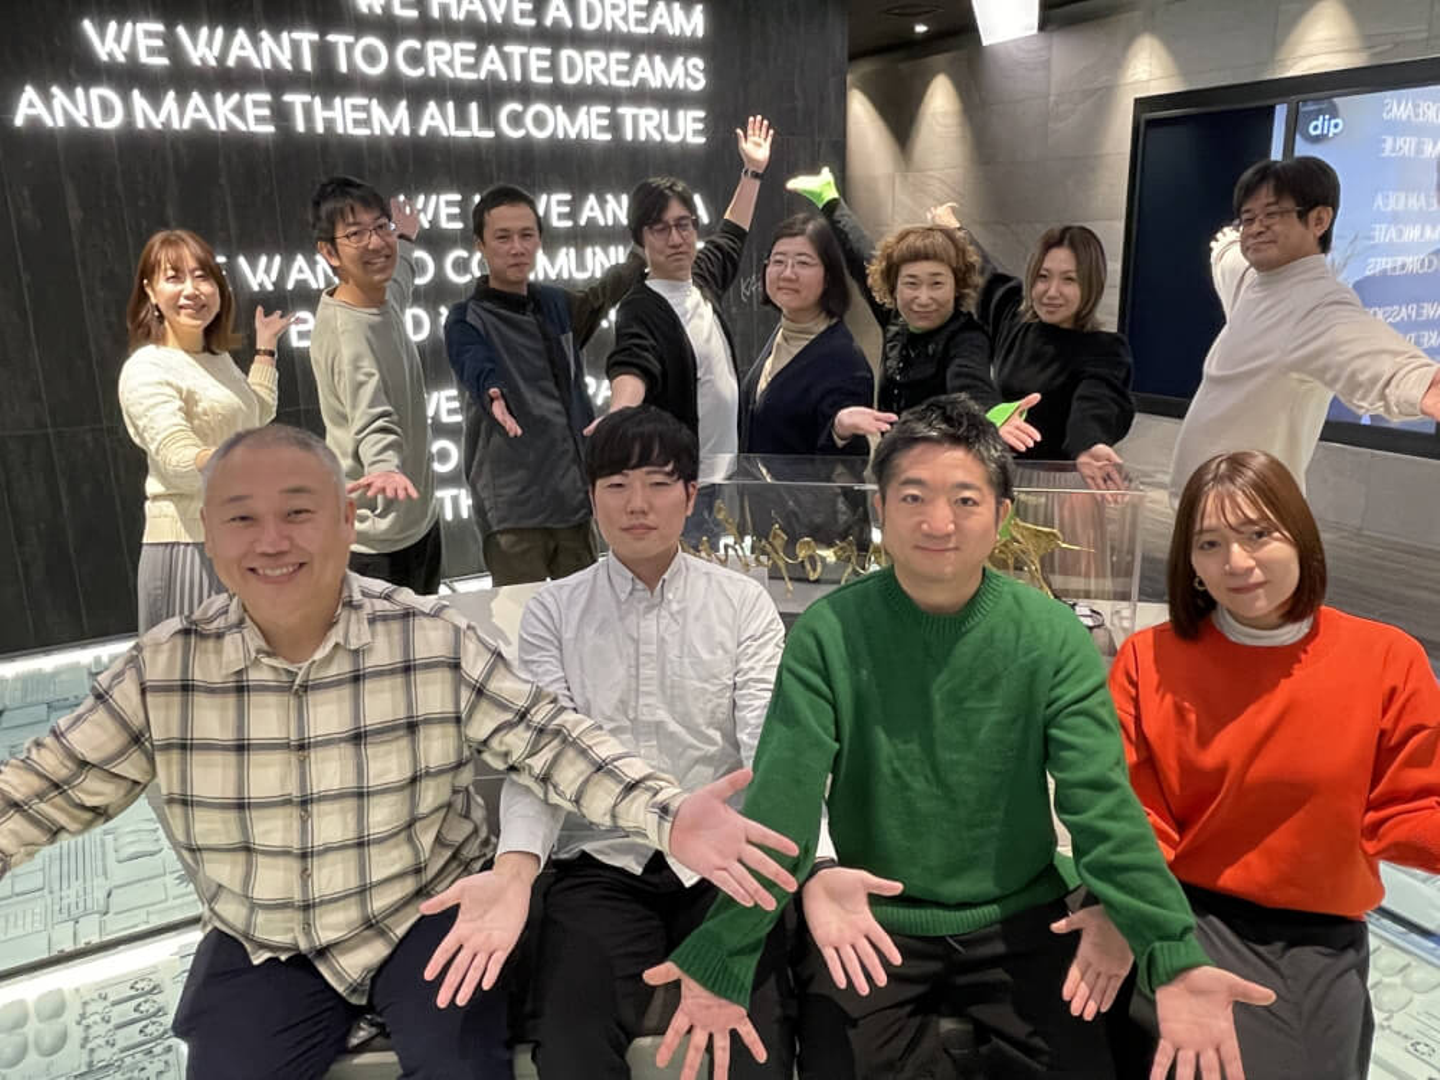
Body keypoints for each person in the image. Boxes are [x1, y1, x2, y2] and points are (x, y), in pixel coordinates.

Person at [0, 423, 801, 1080]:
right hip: (266, 936)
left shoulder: (429, 641)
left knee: (465, 1061)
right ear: (207, 535)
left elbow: (548, 740)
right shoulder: (163, 673)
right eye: (242, 518)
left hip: (420, 911)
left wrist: (668, 815)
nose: (272, 541)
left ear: (347, 522)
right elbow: (40, 789)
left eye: (298, 512)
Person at [642, 395, 1276, 1080]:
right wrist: (726, 949)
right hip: (875, 917)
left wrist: (1171, 952)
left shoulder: (1050, 636)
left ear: (1002, 516)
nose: (939, 522)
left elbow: (1101, 806)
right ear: (880, 509)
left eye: (966, 501)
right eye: (913, 497)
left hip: (1020, 915)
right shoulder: (830, 633)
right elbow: (782, 804)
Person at [475, 405, 799, 1078]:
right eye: (616, 485)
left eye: (657, 483)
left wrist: (797, 865)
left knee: (756, 1046)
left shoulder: (741, 603)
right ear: (592, 498)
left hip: (724, 864)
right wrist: (516, 866)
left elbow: (768, 745)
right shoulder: (554, 611)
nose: (637, 504)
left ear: (691, 495)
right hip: (603, 861)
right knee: (570, 1045)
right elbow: (541, 759)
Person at [1099, 449, 1440, 1078]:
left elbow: (1406, 808)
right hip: (1178, 905)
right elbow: (1131, 812)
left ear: (1300, 535)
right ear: (1190, 562)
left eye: (1259, 534)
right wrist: (1137, 918)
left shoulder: (1386, 658)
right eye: (1210, 543)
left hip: (1315, 929)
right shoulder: (1150, 658)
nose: (1236, 562)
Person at [1169, 155, 1440, 501]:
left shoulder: (1319, 306)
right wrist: (1229, 239)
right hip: (1198, 503)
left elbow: (1379, 361)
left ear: (1319, 220)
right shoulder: (1250, 281)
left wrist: (1424, 386)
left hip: (1248, 513)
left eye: (1272, 215)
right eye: (1248, 218)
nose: (1256, 228)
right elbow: (1224, 251)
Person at [445, 184, 647, 586]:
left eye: (526, 235)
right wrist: (492, 392)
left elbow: (603, 294)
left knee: (586, 611)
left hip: (572, 499)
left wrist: (641, 254)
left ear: (539, 240)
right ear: (480, 245)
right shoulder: (467, 318)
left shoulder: (556, 305)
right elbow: (473, 361)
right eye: (503, 237)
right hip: (513, 512)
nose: (516, 248)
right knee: (522, 618)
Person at [785, 166, 1041, 454]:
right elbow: (861, 256)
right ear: (894, 288)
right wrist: (830, 200)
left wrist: (992, 414)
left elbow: (969, 381)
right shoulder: (896, 318)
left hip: (943, 469)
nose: (923, 298)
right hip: (894, 464)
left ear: (956, 286)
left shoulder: (967, 336)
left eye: (936, 283)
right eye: (911, 283)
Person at [118, 227, 293, 631]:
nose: (192, 290)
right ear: (150, 291)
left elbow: (255, 414)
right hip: (189, 546)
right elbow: (178, 460)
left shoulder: (217, 359)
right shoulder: (147, 367)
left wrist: (265, 349)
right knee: (194, 668)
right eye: (174, 277)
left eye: (202, 276)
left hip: (241, 541)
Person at [598, 115, 773, 474]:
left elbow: (732, 234)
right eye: (660, 229)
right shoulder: (639, 307)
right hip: (685, 480)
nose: (676, 239)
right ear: (640, 239)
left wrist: (752, 172)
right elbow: (632, 361)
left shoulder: (701, 277)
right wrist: (620, 413)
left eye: (684, 225)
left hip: (729, 474)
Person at [930, 204, 1134, 489]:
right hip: (998, 477)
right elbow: (983, 271)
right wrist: (952, 229)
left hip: (1060, 488)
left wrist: (1090, 444)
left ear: (1090, 285)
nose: (1052, 292)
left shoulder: (1104, 349)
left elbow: (1096, 403)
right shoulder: (1013, 316)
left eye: (1069, 279)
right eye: (1043, 276)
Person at [310, 176, 441, 593]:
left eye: (381, 227)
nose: (376, 243)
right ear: (329, 252)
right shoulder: (348, 334)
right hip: (376, 538)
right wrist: (384, 467)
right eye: (356, 234)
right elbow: (372, 418)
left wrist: (407, 238)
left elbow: (401, 279)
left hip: (415, 517)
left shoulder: (380, 297)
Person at [739, 213, 891, 456]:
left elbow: (844, 464)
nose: (787, 273)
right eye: (778, 261)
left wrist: (839, 432)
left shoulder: (845, 362)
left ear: (829, 276)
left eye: (803, 263)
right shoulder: (784, 330)